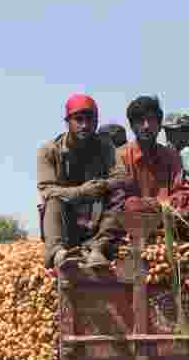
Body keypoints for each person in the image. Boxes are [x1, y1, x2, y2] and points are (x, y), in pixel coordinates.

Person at [36, 93, 128, 269]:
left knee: (120, 196)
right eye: (78, 119)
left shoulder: (105, 146)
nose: (85, 125)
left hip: (97, 219)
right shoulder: (49, 151)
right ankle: (58, 253)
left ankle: (98, 248)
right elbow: (46, 190)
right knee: (53, 200)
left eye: (90, 120)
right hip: (66, 223)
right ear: (67, 122)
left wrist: (101, 186)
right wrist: (81, 192)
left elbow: (121, 178)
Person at [117, 96, 186, 213]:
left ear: (159, 126)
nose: (146, 126)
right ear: (132, 126)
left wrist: (147, 204)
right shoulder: (120, 156)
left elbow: (180, 194)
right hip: (131, 226)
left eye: (151, 120)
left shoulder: (172, 157)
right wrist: (160, 203)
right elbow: (124, 202)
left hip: (168, 223)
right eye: (140, 121)